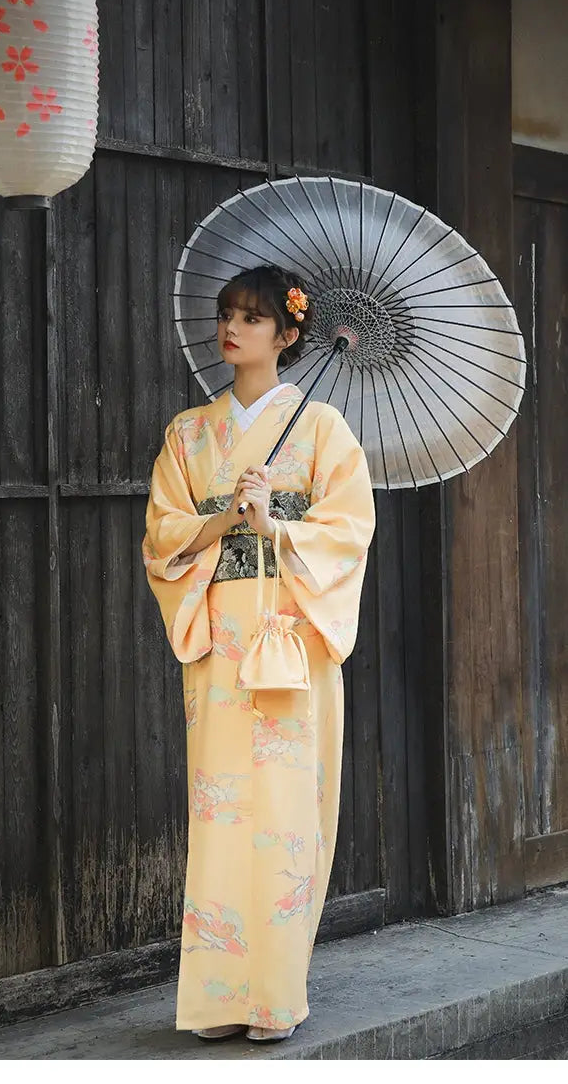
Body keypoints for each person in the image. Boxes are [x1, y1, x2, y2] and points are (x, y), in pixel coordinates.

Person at [142, 263, 376, 1043]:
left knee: (284, 817)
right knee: (221, 811)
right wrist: (222, 523)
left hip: (290, 641)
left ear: (287, 333)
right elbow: (163, 540)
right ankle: (216, 996)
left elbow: (348, 534)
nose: (232, 327)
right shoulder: (188, 434)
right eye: (227, 314)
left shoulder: (323, 432)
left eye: (252, 316)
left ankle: (272, 995)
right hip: (221, 644)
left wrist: (277, 524)